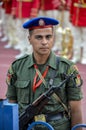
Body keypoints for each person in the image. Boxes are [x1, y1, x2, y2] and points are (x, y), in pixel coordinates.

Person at [6, 17, 83, 130]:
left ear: (53, 38)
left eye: (48, 37)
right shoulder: (17, 67)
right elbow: (11, 105)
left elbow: (76, 110)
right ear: (29, 39)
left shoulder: (67, 68)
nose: (44, 42)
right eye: (39, 37)